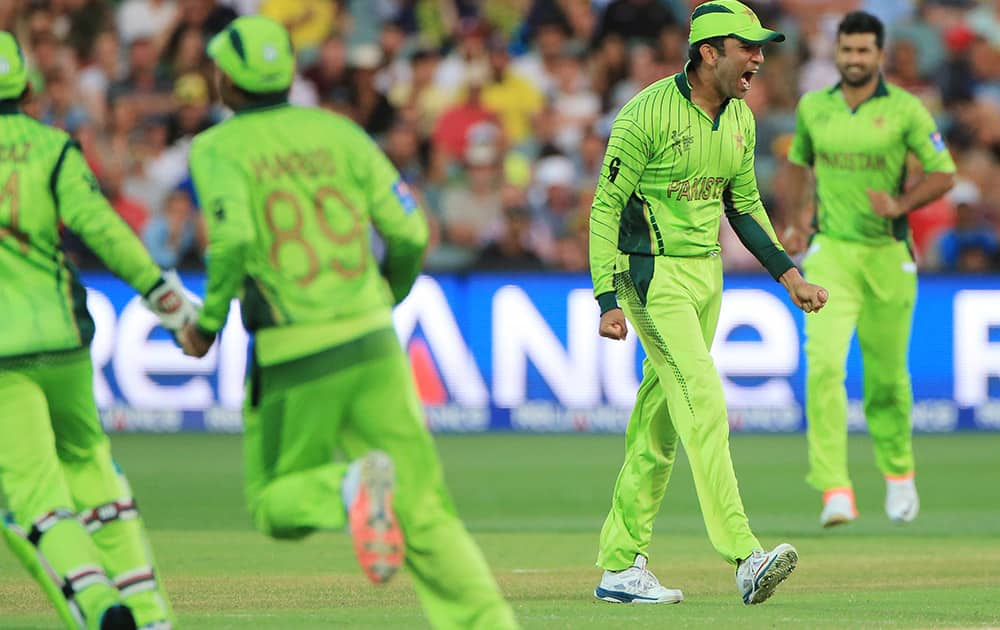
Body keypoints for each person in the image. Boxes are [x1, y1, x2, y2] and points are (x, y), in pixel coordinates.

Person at [176, 16, 518, 629]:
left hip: (293, 352)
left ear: (227, 78)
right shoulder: (340, 133)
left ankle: (352, 488)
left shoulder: (215, 148)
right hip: (372, 339)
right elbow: (411, 230)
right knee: (426, 509)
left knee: (274, 502)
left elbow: (230, 241)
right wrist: (388, 293)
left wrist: (207, 322)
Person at [588, 0, 829, 606]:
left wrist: (789, 274)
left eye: (761, 47)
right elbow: (605, 208)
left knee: (659, 426)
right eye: (747, 47)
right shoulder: (645, 114)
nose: (759, 58)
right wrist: (605, 297)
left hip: (707, 280)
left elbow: (743, 207)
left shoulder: (741, 121)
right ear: (707, 53)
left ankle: (620, 564)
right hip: (651, 280)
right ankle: (745, 556)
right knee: (703, 402)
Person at [0, 31, 191, 630]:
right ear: (26, 88)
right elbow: (103, 230)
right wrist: (170, 304)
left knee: (34, 499)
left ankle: (100, 606)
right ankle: (149, 615)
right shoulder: (51, 147)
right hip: (62, 340)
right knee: (92, 467)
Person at [782, 11, 956, 527]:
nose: (854, 59)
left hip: (887, 254)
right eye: (846, 50)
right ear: (835, 53)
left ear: (880, 55)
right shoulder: (814, 107)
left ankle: (899, 475)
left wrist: (900, 204)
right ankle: (834, 489)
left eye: (864, 51)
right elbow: (797, 165)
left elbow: (943, 174)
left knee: (886, 380)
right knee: (825, 367)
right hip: (831, 251)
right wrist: (795, 222)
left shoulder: (907, 110)